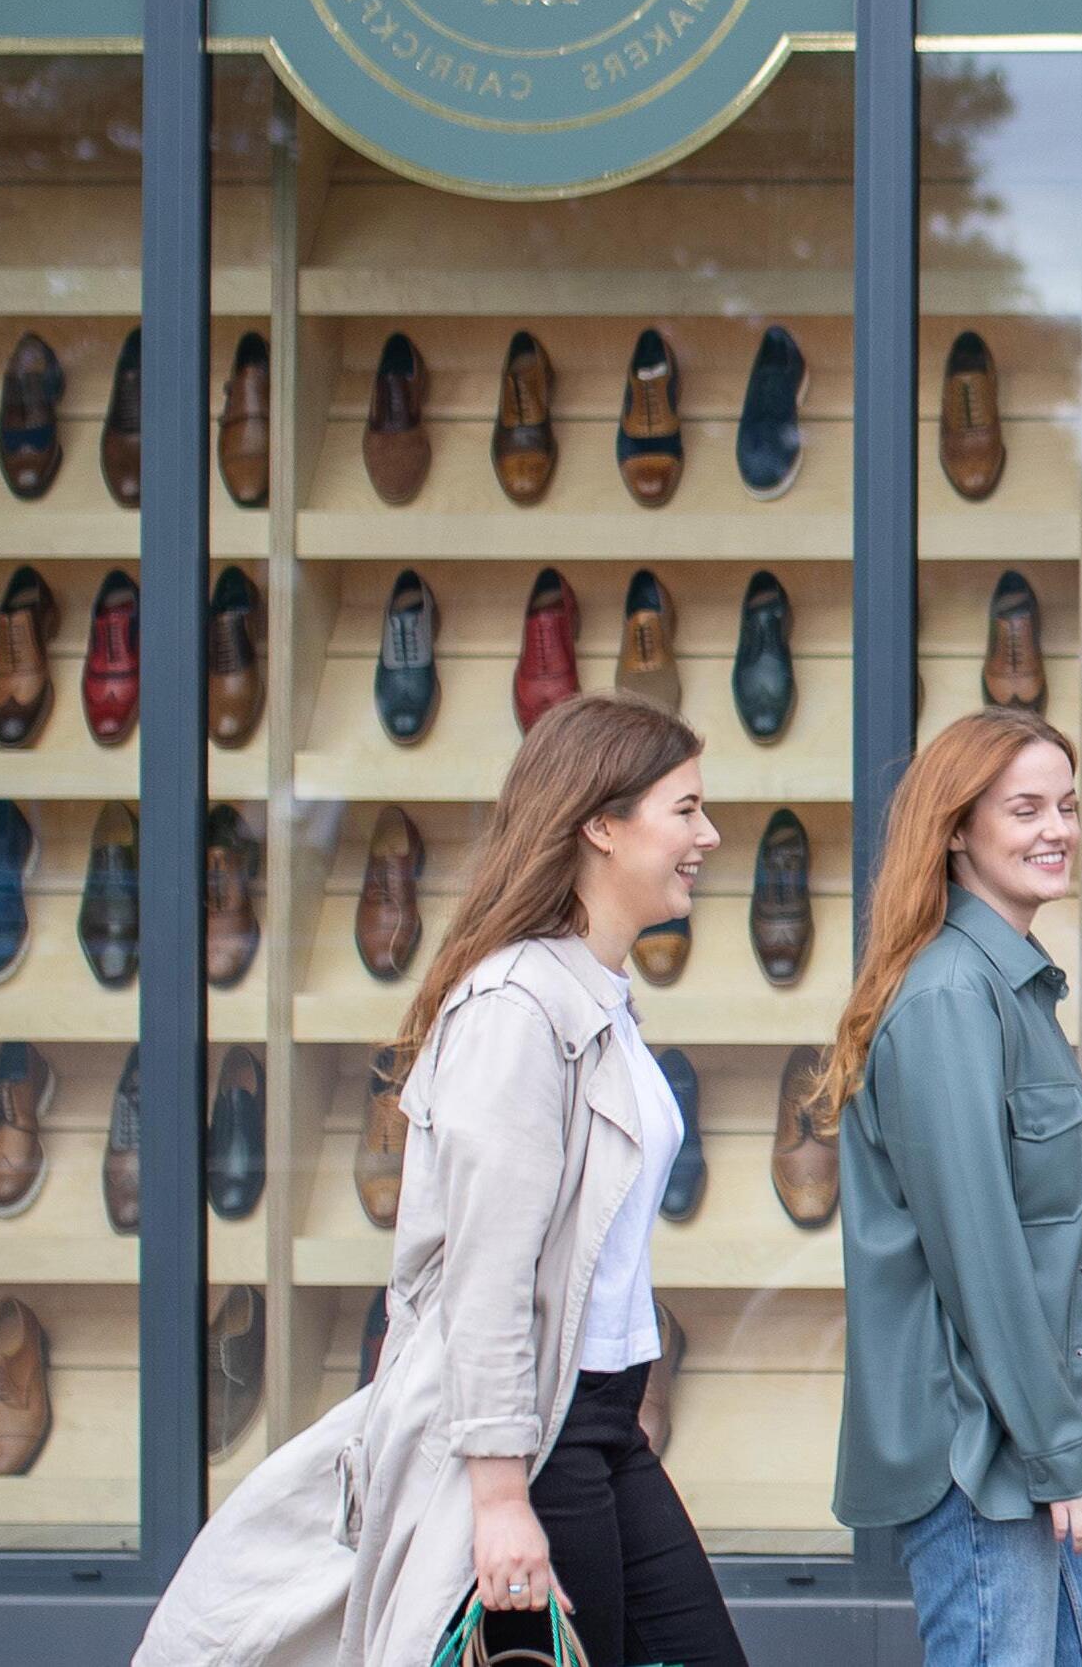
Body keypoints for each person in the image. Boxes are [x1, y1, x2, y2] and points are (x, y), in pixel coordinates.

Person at [138, 694, 737, 1667]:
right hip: (537, 1441)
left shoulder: (591, 999)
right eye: (685, 809)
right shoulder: (518, 1012)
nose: (706, 835)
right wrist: (499, 1499)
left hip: (602, 1421)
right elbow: (486, 1274)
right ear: (601, 823)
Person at [820, 709, 1082, 1667]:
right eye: (1025, 808)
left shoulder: (1013, 985)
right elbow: (981, 1252)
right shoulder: (952, 996)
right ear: (957, 828)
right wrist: (1059, 1445)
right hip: (979, 1461)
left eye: (1067, 806)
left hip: (1039, 1442)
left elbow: (1047, 1246)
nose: (1057, 829)